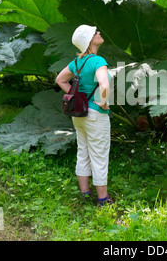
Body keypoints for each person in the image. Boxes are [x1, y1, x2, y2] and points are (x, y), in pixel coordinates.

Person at [55, 25, 112, 207]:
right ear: (89, 40)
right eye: (95, 32)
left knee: (83, 151)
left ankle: (85, 194)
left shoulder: (77, 62)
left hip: (79, 114)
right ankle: (103, 199)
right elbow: (103, 84)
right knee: (99, 155)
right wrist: (103, 102)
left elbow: (60, 80)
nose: (99, 32)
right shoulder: (98, 61)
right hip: (96, 115)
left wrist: (77, 98)